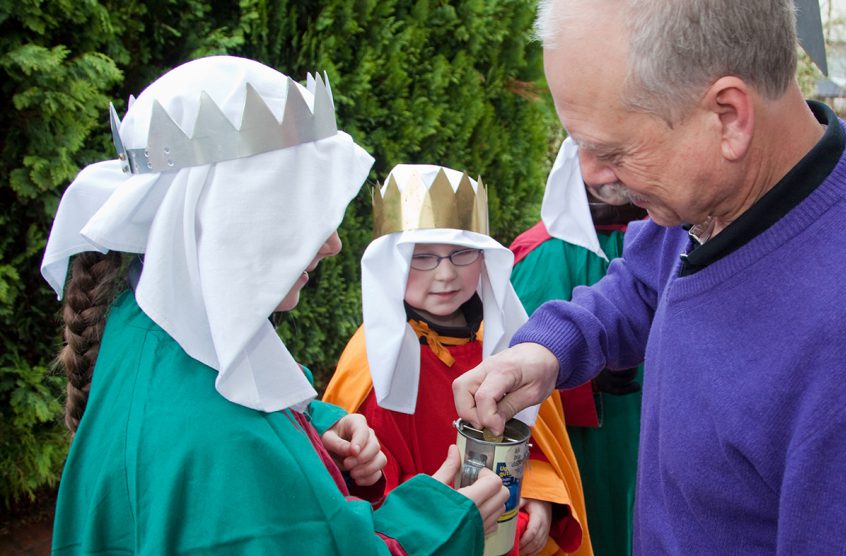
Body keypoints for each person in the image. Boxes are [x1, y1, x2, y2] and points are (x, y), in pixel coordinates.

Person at [452, 1, 846, 554]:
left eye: (612, 149)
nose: (588, 173)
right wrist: (552, 349)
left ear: (729, 116)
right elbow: (643, 283)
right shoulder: (715, 194)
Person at [41, 55, 508, 555]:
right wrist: (444, 520)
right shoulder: (223, 441)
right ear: (227, 217)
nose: (332, 244)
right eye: (301, 215)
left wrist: (313, 431)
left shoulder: (148, 328)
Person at [323, 164, 592, 556]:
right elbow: (370, 487)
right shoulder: (376, 361)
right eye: (423, 257)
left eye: (462, 254)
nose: (446, 274)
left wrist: (538, 495)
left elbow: (537, 445)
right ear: (391, 264)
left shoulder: (509, 348)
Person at [509, 137, 645, 556]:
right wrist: (588, 378)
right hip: (588, 444)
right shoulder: (543, 253)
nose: (611, 174)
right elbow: (518, 354)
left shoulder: (671, 239)